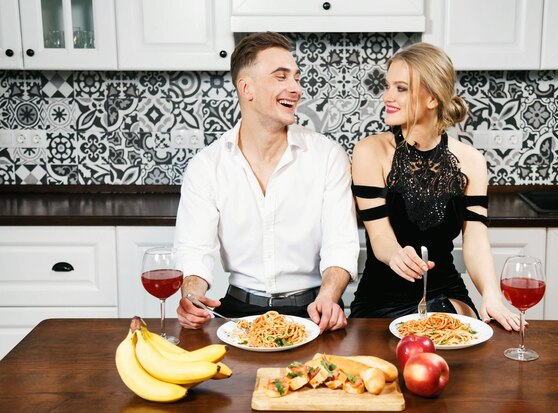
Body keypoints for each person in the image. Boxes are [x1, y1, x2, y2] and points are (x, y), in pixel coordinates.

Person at [174, 32, 360, 333]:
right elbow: (195, 249)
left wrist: (328, 297)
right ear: (246, 88)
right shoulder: (207, 166)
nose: (296, 89)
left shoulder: (328, 156)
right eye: (281, 77)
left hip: (311, 311)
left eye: (296, 78)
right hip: (236, 313)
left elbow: (341, 244)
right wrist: (191, 296)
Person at [349, 42, 521, 331]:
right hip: (381, 300)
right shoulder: (369, 152)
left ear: (432, 98)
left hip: (445, 294)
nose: (387, 96)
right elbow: (379, 238)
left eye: (400, 88)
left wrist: (491, 295)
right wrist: (396, 254)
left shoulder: (471, 161)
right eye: (388, 86)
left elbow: (476, 241)